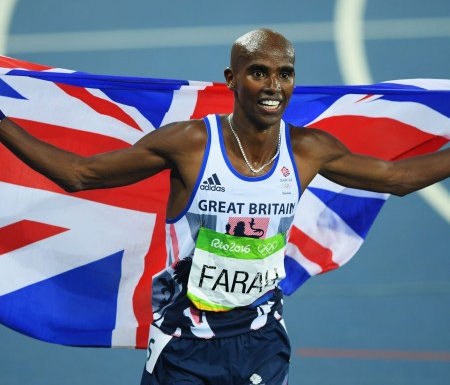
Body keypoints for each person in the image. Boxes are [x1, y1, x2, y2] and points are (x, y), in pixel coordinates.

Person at [0, 28, 449, 385]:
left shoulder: (309, 149)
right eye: (259, 72)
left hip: (261, 341)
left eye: (285, 73)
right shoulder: (190, 144)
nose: (274, 86)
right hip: (182, 344)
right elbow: (80, 174)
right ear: (231, 79)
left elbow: (399, 178)